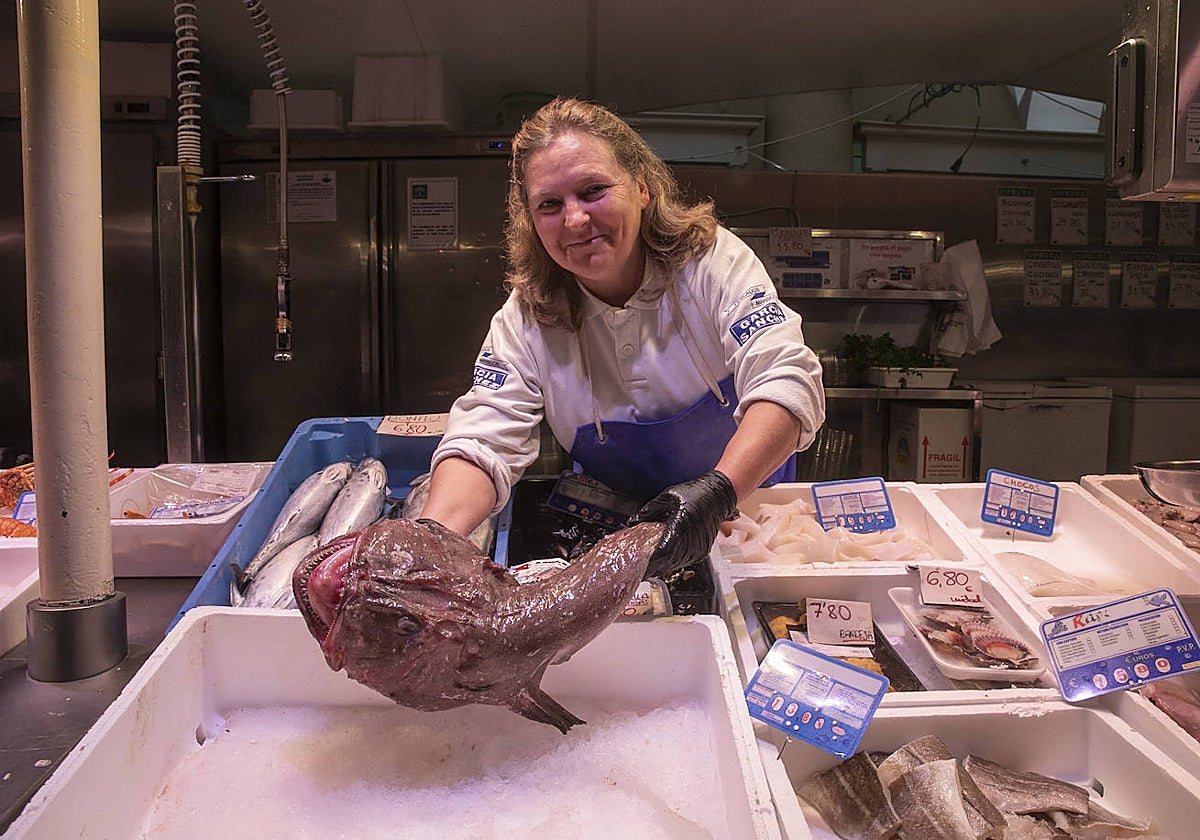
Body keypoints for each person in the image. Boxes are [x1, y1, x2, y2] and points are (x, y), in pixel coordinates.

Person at [420, 97, 825, 577]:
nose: (574, 220)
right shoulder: (525, 318)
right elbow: (483, 436)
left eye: (593, 190)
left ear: (643, 188)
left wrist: (718, 492)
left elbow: (787, 378)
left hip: (749, 519)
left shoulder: (712, 264)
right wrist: (429, 541)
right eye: (550, 204)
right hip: (615, 530)